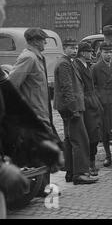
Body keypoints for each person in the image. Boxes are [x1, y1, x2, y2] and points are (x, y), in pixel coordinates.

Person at [8, 27, 60, 195]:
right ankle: (41, 188)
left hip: (42, 111)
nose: (45, 42)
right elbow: (11, 85)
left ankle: (41, 187)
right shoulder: (28, 58)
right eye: (43, 40)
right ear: (35, 41)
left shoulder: (37, 57)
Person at [54, 38, 97, 185]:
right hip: (72, 108)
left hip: (69, 107)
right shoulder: (65, 63)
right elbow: (67, 88)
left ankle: (70, 171)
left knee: (69, 139)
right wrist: (73, 109)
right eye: (70, 48)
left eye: (75, 48)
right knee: (80, 140)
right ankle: (80, 174)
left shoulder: (68, 62)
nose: (74, 50)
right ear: (64, 48)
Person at [92, 41, 112, 167]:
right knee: (105, 131)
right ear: (101, 53)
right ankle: (108, 155)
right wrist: (98, 97)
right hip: (103, 102)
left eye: (110, 52)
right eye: (106, 52)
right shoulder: (95, 68)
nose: (108, 55)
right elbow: (92, 86)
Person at [74, 42, 103, 176]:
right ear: (82, 53)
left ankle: (91, 162)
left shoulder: (88, 65)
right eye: (89, 52)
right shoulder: (77, 66)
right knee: (89, 135)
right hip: (85, 102)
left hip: (93, 101)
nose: (92, 54)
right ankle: (89, 164)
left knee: (95, 133)